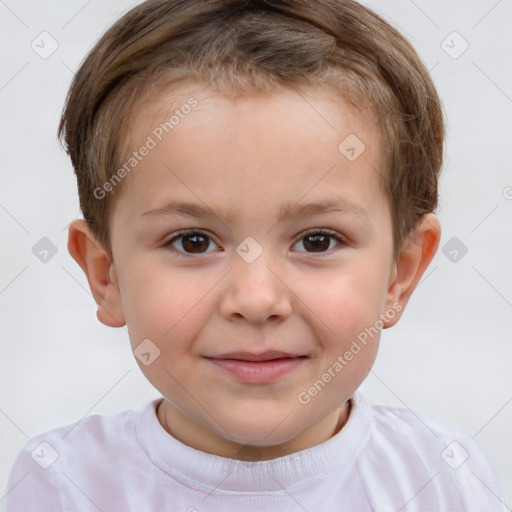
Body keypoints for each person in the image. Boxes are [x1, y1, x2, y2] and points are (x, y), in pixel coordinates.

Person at [4, 0, 506, 510]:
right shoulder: (61, 483)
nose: (257, 299)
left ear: (400, 276)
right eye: (193, 241)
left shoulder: (444, 478)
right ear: (105, 275)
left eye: (317, 241)